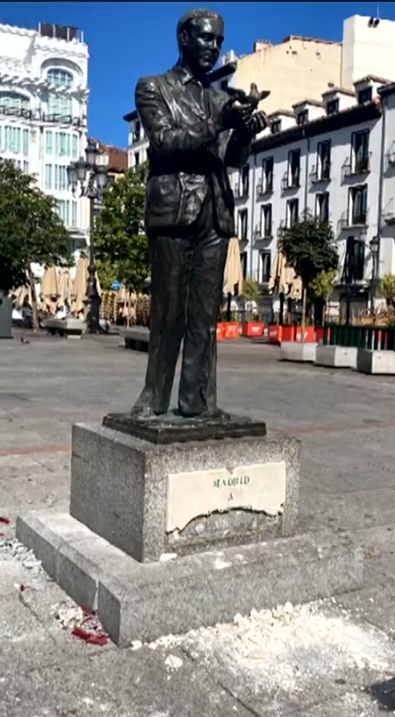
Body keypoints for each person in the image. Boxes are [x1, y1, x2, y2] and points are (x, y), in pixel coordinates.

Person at [128, 8, 269, 419]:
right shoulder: (154, 88)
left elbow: (232, 158)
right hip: (174, 210)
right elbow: (165, 141)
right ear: (184, 38)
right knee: (169, 310)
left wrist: (245, 133)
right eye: (207, 38)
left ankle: (198, 400)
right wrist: (219, 123)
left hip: (215, 213)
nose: (214, 47)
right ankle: (155, 397)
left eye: (219, 41)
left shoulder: (221, 99)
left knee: (205, 316)